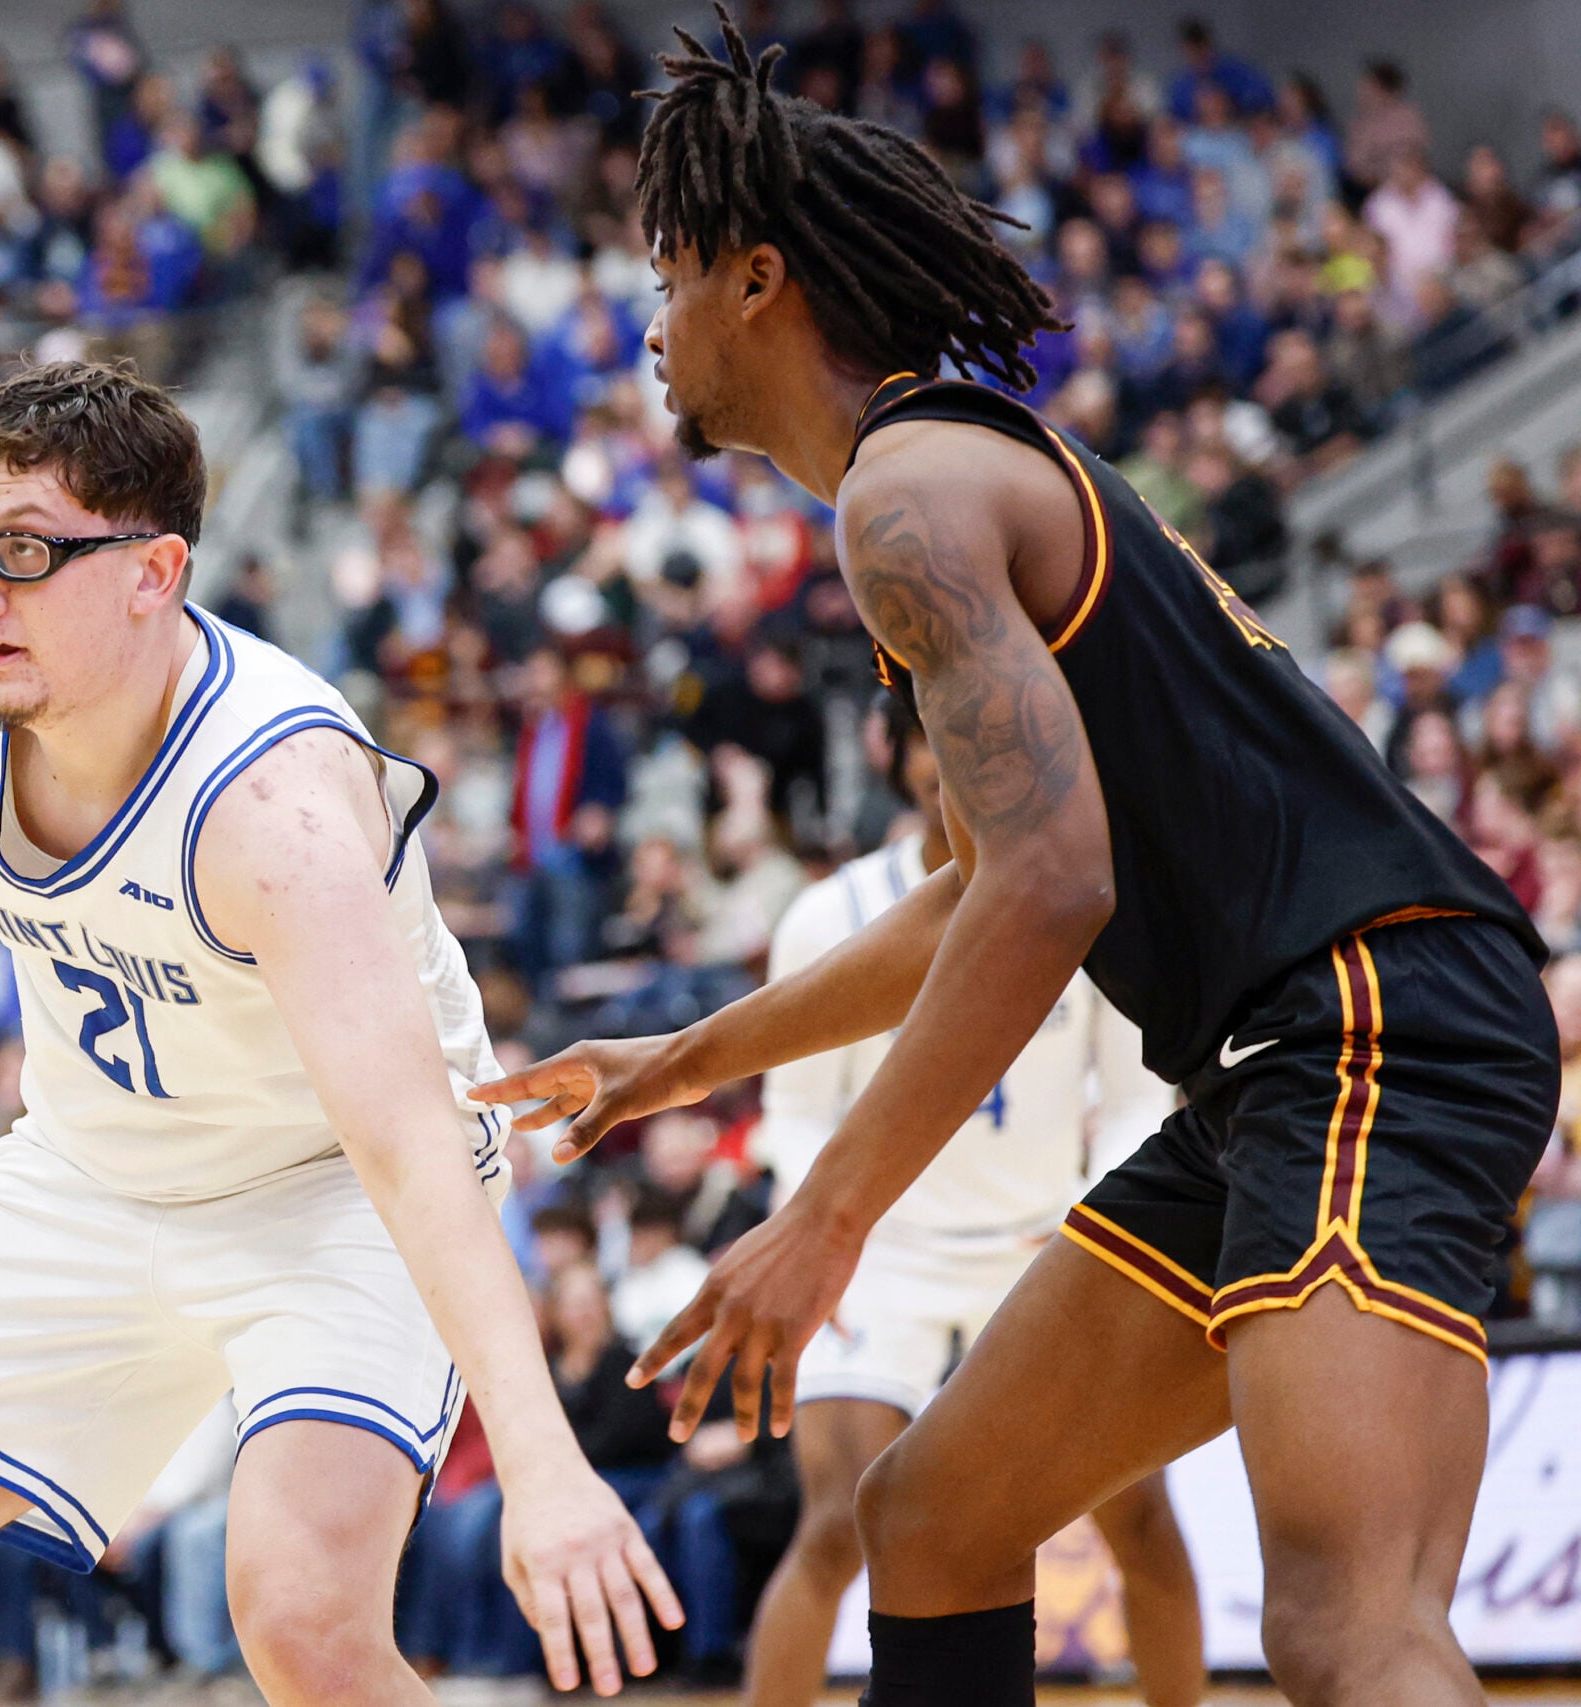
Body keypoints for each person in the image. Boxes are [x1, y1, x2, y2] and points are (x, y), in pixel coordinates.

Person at [478, 18, 1554, 1707]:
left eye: (668, 274)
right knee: (934, 1521)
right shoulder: (941, 478)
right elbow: (978, 882)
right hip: (1295, 1054)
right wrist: (682, 1062)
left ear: (761, 280)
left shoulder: (907, 497)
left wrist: (824, 1218)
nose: (648, 324)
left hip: (1374, 1026)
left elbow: (1055, 888)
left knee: (1349, 1624)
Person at [0, 360, 678, 1707]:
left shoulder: (277, 811)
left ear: (155, 571)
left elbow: (412, 1147)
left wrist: (546, 1464)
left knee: (302, 1618)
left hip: (336, 1196)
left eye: (25, 550)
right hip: (89, 1176)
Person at [738, 715, 1204, 1707]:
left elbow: (1131, 1099)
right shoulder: (831, 913)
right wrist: (821, 1243)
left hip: (1047, 1243)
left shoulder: (1092, 900)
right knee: (832, 1527)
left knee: (1144, 1524)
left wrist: (1095, 1225)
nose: (953, 759)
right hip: (882, 1253)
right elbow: (791, 1118)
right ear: (891, 754)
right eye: (930, 738)